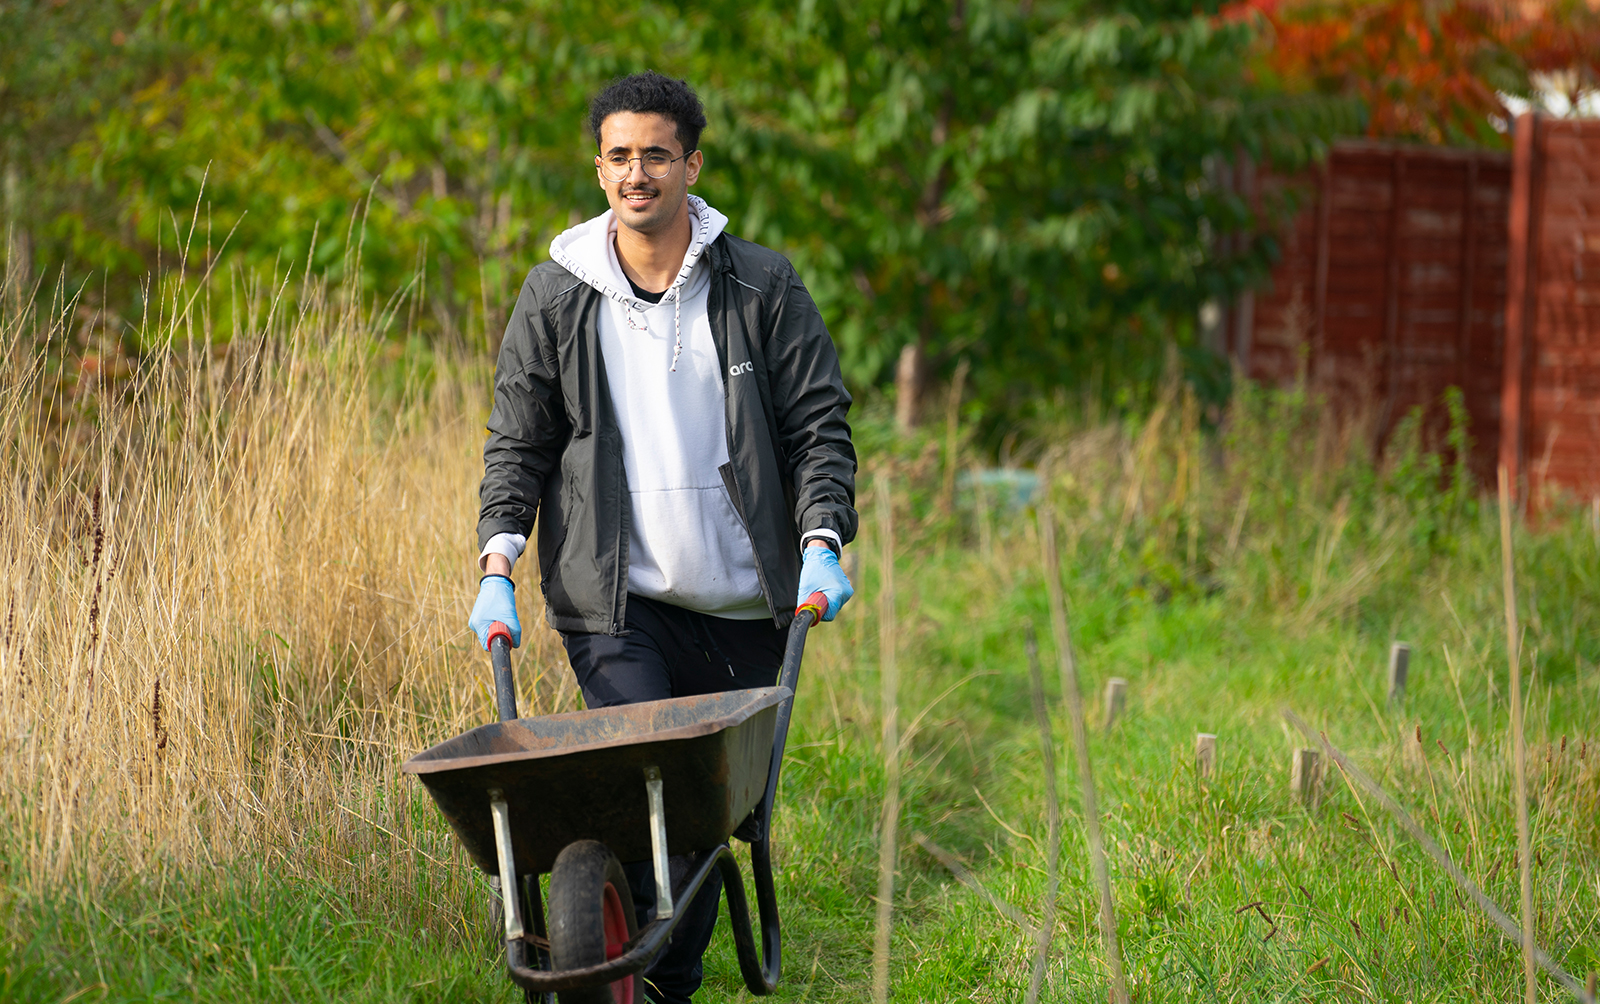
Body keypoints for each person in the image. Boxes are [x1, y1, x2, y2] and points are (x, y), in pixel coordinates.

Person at [466, 71, 858, 1003]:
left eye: (654, 154)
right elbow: (519, 440)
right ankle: (619, 969)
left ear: (691, 163)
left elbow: (818, 425)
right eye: (617, 156)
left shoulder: (760, 284)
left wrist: (822, 541)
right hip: (617, 603)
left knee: (691, 828)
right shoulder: (558, 295)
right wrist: (498, 563)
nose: (635, 173)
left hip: (742, 604)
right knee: (636, 798)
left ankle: (658, 980)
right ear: (597, 166)